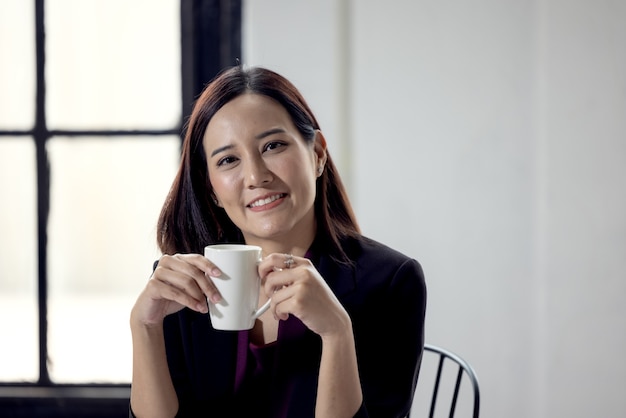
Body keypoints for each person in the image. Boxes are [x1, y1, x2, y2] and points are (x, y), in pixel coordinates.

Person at [129, 65, 426, 418]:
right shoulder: (184, 287)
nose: (256, 176)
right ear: (211, 188)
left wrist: (336, 332)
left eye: (273, 145)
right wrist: (144, 327)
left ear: (317, 153)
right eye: (228, 160)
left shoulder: (391, 282)